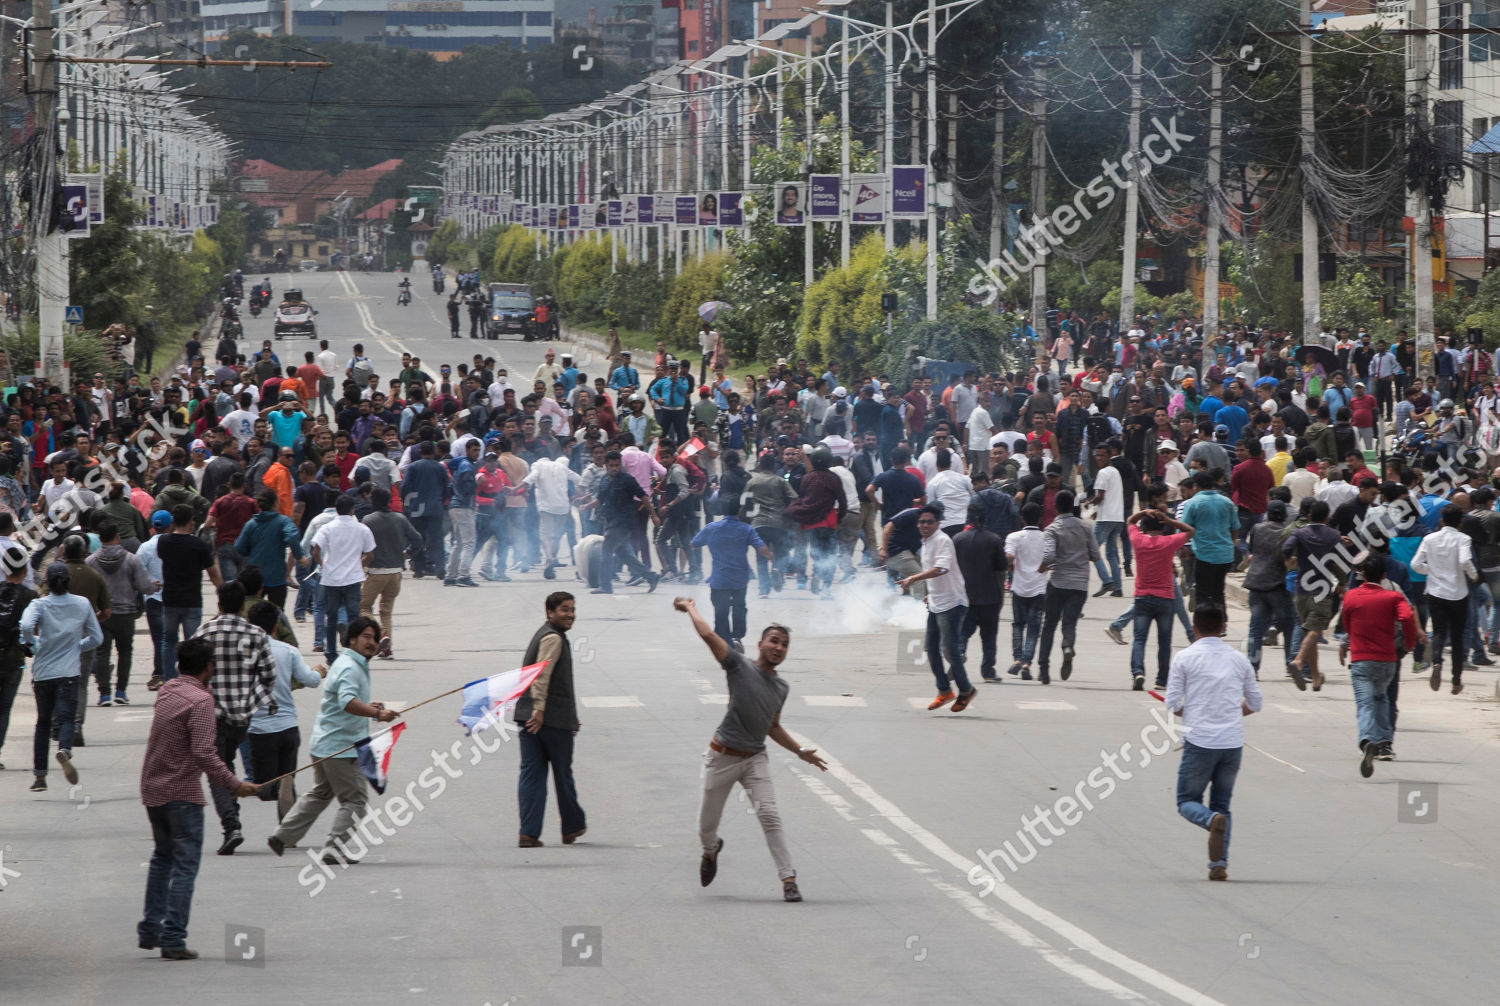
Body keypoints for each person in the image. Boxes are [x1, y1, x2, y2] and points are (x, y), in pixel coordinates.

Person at [675, 596, 827, 903]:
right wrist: (691, 607)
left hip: (755, 758)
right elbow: (708, 634)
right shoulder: (737, 666)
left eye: (784, 644)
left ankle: (788, 879)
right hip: (722, 757)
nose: (779, 648)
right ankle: (711, 849)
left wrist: (800, 752)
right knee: (706, 827)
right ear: (760, 644)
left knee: (770, 816)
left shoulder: (781, 688)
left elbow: (772, 727)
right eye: (774, 641)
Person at [138, 637, 260, 960]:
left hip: (153, 788)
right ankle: (173, 938)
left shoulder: (168, 691)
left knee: (162, 857)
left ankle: (151, 928)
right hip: (181, 794)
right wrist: (235, 785)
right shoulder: (201, 702)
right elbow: (205, 752)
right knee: (184, 866)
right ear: (209, 668)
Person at [268, 617, 400, 865]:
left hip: (326, 743)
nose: (371, 643)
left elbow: (345, 699)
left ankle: (282, 835)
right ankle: (333, 849)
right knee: (355, 800)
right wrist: (377, 714)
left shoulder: (349, 663)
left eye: (374, 638)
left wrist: (370, 706)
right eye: (366, 637)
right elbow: (347, 702)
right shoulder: (350, 666)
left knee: (321, 792)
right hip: (340, 748)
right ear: (352, 639)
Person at [1164, 604, 1262, 882]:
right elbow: (1256, 702)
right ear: (1223, 627)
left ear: (1194, 628)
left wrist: (1192, 712)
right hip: (1231, 744)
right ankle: (1218, 863)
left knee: (1186, 801)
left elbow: (1172, 703)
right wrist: (1233, 713)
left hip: (1200, 742)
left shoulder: (1184, 658)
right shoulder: (1239, 659)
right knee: (1222, 803)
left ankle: (1208, 822)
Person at [190, 581, 277, 855]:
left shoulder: (205, 631)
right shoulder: (256, 633)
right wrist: (253, 696)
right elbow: (269, 675)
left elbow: (191, 670)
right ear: (243, 606)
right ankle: (233, 817)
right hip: (243, 716)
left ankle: (231, 825)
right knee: (225, 765)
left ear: (218, 604)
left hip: (212, 713)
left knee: (218, 770)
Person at [511, 592, 587, 847]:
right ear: (550, 612)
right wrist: (539, 710)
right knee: (562, 774)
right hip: (548, 720)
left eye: (572, 609)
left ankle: (528, 833)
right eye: (564, 610)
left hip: (533, 718)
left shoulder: (545, 634)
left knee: (531, 774)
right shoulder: (553, 638)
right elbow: (542, 676)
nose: (570, 615)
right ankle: (572, 826)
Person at [1338, 553, 1425, 775]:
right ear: (1384, 575)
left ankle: (1368, 740)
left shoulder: (1351, 597)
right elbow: (1406, 618)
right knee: (1382, 698)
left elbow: (1346, 624)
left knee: (1366, 703)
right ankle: (1385, 741)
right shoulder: (1393, 597)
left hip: (1361, 659)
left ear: (1363, 574)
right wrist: (1409, 643)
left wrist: (1352, 640)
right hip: (1387, 659)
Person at [22, 562, 104, 792]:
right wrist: (78, 645)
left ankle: (40, 777)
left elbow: (27, 624)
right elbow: (97, 638)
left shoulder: (39, 603)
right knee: (67, 718)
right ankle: (65, 750)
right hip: (69, 672)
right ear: (68, 581)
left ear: (47, 582)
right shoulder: (82, 604)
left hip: (43, 673)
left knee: (43, 722)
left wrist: (32, 643)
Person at [245, 600, 323, 819]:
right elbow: (310, 680)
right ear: (276, 626)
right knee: (288, 780)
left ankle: (276, 794)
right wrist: (319, 672)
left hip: (260, 729)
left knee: (262, 784)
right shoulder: (288, 651)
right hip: (288, 727)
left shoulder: (244, 653)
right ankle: (286, 832)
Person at [897, 504, 977, 712]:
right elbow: (936, 573)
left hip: (952, 603)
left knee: (949, 649)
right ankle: (944, 691)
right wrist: (930, 594)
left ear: (938, 523)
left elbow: (941, 568)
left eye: (929, 522)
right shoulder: (925, 542)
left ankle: (966, 690)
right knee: (930, 649)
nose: (924, 525)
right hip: (937, 602)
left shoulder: (942, 540)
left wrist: (914, 578)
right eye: (921, 522)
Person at [151, 505, 223, 692]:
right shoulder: (199, 545)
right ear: (191, 520)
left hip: (170, 600)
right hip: (192, 601)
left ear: (173, 521)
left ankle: (169, 682)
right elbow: (213, 573)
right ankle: (194, 682)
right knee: (193, 644)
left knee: (169, 641)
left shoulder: (164, 543)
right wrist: (222, 593)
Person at [1125, 505, 1194, 690]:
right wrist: (1170, 520)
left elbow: (1130, 521)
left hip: (1142, 598)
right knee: (1164, 642)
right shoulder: (1168, 542)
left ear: (1144, 528)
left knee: (1139, 639)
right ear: (1162, 528)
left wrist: (1143, 511)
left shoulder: (1138, 540)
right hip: (1165, 599)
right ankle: (1161, 680)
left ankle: (1138, 672)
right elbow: (1190, 531)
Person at [87, 519, 155, 707]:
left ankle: (104, 694)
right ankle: (121, 691)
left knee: (102, 654)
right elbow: (143, 586)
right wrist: (153, 587)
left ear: (100, 538)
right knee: (125, 652)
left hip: (102, 615)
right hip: (126, 614)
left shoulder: (91, 561)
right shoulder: (131, 559)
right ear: (118, 536)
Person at [1411, 504, 1478, 694]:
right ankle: (1456, 680)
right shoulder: (1463, 538)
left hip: (1435, 592)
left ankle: (1437, 662)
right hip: (1458, 593)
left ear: (1442, 521)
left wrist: (1430, 571)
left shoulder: (1429, 538)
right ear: (1461, 523)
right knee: (1457, 637)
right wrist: (1473, 575)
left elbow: (1415, 564)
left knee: (1439, 631)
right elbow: (1465, 561)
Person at [1036, 490, 1101, 684]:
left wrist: (1041, 569)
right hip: (1079, 584)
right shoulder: (1085, 528)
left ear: (1055, 507)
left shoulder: (1052, 529)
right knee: (1069, 623)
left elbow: (1048, 557)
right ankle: (1067, 646)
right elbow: (1096, 555)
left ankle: (1043, 670)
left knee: (1049, 625)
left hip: (1058, 582)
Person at [691, 507, 773, 652]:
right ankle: (736, 638)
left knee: (721, 611)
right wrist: (773, 558)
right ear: (739, 511)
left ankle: (724, 641)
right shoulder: (746, 529)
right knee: (739, 607)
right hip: (739, 578)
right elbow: (761, 548)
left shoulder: (711, 528)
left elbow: (693, 544)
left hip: (719, 579)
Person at [311, 496, 376, 667]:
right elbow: (370, 554)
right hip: (353, 579)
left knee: (331, 618)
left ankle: (331, 654)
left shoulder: (327, 528)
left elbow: (316, 551)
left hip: (331, 579)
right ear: (352, 509)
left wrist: (322, 565)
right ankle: (353, 652)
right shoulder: (362, 529)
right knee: (354, 619)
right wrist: (358, 565)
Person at [360, 488, 422, 659]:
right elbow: (417, 538)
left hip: (376, 571)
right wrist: (409, 553)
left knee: (364, 606)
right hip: (396, 572)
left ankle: (380, 636)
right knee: (386, 611)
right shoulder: (400, 518)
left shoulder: (368, 520)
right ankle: (387, 649)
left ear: (373, 501)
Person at [954, 501, 1006, 683]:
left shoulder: (958, 539)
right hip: (990, 597)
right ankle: (988, 671)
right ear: (985, 519)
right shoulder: (994, 539)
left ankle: (959, 654)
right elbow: (1002, 566)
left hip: (965, 597)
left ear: (968, 517)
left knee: (963, 633)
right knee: (989, 637)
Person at [0, 547, 37, 771]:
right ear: (24, 570)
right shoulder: (30, 597)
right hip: (14, 660)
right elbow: (33, 628)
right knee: (4, 708)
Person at [1005, 503, 1047, 680]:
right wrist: (1042, 569)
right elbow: (1052, 559)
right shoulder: (1046, 538)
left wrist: (1013, 571)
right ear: (1040, 519)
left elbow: (1008, 557)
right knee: (1033, 628)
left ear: (1022, 518)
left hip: (1019, 588)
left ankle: (1017, 659)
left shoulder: (1014, 537)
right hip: (1039, 589)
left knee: (1018, 625)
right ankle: (1027, 663)